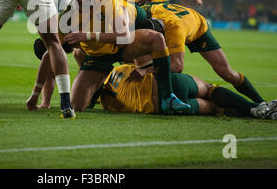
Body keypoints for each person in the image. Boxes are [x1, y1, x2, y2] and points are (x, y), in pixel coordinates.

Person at [26, 0, 191, 114]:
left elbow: (124, 35)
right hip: (98, 56)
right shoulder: (67, 18)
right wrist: (35, 93)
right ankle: (100, 87)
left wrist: (87, 36)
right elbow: (50, 54)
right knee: (76, 105)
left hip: (125, 41)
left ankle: (168, 96)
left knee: (155, 38)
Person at [141, 2, 265, 103]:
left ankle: (261, 102)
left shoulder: (174, 30)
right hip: (183, 19)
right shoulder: (148, 10)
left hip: (198, 28)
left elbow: (177, 67)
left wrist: (146, 71)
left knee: (226, 72)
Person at [99, 62, 277, 119]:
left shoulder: (107, 104)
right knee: (209, 89)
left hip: (162, 108)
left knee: (214, 108)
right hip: (169, 85)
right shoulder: (119, 69)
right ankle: (255, 107)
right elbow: (149, 65)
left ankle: (259, 112)